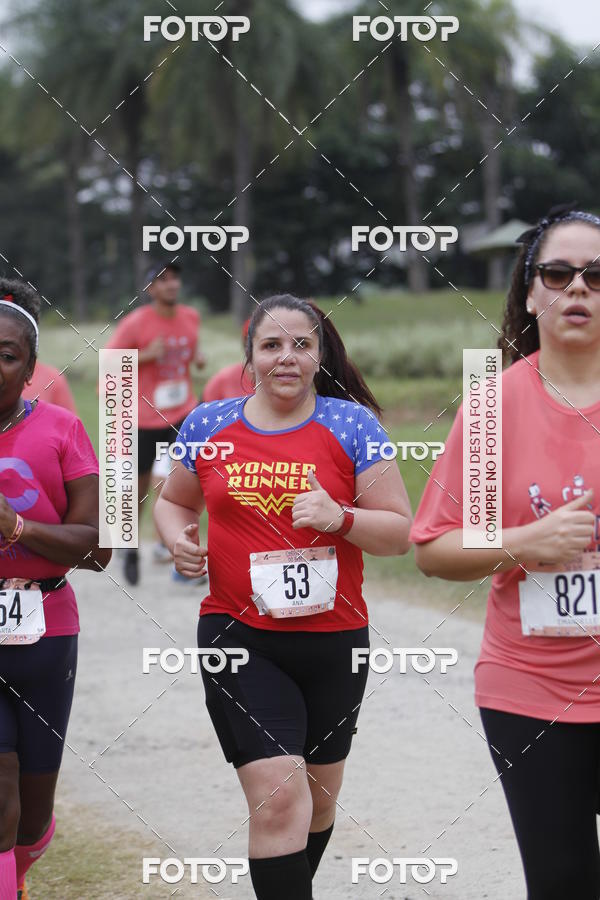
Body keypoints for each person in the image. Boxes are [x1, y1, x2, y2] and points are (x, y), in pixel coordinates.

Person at [154, 294, 412, 900]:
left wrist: (340, 517)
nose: (287, 357)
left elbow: (400, 533)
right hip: (238, 638)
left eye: (302, 344)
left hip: (335, 642)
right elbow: (172, 500)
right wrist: (178, 540)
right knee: (278, 800)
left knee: (315, 807)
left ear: (321, 355)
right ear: (249, 358)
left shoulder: (351, 426)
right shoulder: (210, 424)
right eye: (271, 345)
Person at [410, 206, 600, 900]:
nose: (577, 289)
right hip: (531, 684)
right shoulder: (492, 408)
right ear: (530, 292)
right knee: (563, 879)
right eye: (558, 273)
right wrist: (523, 542)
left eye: (597, 276)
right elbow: (434, 548)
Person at [0, 279, 111, 900]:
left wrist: (14, 525)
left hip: (46, 628)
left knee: (31, 813)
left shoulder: (62, 429)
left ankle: (21, 860)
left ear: (31, 368)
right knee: (0, 791)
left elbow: (97, 549)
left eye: (7, 354)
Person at [103, 261, 205, 585]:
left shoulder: (191, 317)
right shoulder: (136, 323)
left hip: (184, 410)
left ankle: (176, 551)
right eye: (163, 280)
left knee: (184, 480)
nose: (172, 284)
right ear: (150, 289)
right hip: (145, 416)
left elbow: (190, 349)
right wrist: (147, 354)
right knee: (141, 485)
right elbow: (109, 362)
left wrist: (197, 358)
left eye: (175, 278)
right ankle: (130, 546)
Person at [201, 318, 254, 401]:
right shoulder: (225, 378)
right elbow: (202, 408)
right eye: (250, 343)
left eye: (271, 345)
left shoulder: (279, 383)